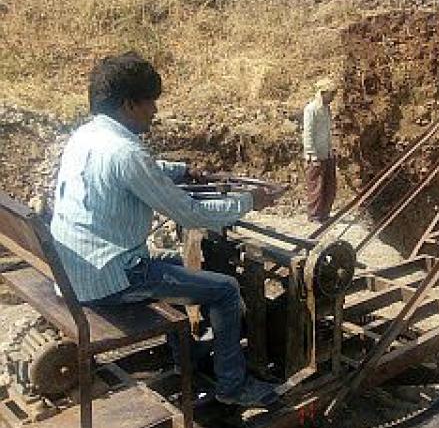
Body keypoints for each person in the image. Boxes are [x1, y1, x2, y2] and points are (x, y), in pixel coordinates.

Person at [50, 51, 277, 407]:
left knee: (178, 264)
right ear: (129, 104)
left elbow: (144, 170)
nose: (154, 111)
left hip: (75, 270)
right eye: (150, 102)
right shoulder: (126, 153)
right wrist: (251, 202)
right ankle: (233, 387)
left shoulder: (86, 135)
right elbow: (191, 214)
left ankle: (188, 357)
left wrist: (182, 170)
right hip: (109, 281)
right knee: (226, 290)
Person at [302, 78, 337, 223]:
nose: (333, 97)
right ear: (323, 93)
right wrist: (312, 155)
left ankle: (324, 214)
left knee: (329, 186)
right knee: (316, 187)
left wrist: (330, 150)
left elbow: (327, 132)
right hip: (316, 156)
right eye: (331, 94)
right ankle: (314, 216)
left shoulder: (326, 109)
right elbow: (308, 133)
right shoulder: (311, 109)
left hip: (327, 153)